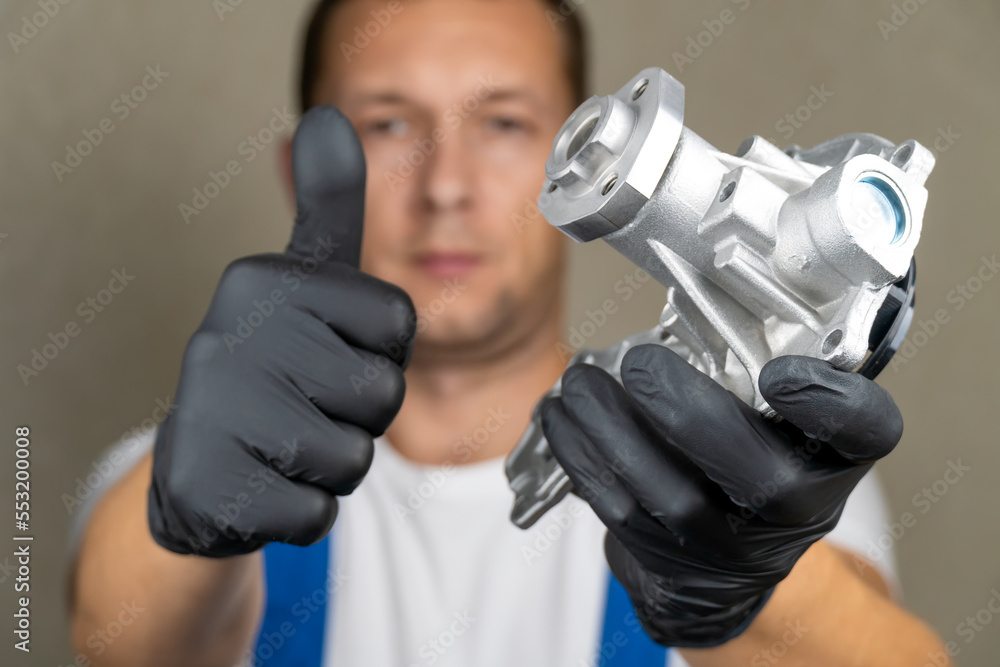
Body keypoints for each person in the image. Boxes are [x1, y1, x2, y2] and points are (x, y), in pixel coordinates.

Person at [69, 0, 949, 665]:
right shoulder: (191, 461)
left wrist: (748, 583)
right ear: (304, 170)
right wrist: (188, 526)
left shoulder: (739, 469)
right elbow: (115, 636)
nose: (445, 183)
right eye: (389, 123)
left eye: (502, 124)